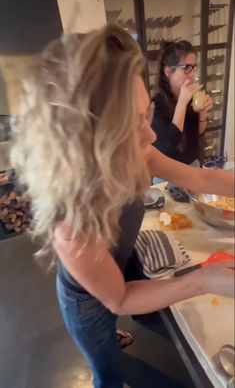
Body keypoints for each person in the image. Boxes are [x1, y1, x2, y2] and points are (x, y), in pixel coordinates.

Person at [11, 25, 234, 388]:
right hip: (87, 302)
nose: (150, 136)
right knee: (107, 371)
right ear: (87, 148)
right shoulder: (70, 225)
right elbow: (119, 298)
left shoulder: (137, 150)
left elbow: (204, 180)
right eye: (130, 126)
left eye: (145, 114)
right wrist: (201, 280)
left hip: (117, 262)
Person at [151, 40, 213, 172]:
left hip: (193, 165)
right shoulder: (156, 104)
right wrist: (182, 104)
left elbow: (198, 133)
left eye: (194, 68)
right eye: (187, 68)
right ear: (168, 72)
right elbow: (168, 145)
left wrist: (202, 116)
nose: (192, 75)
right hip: (167, 171)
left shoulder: (193, 97)